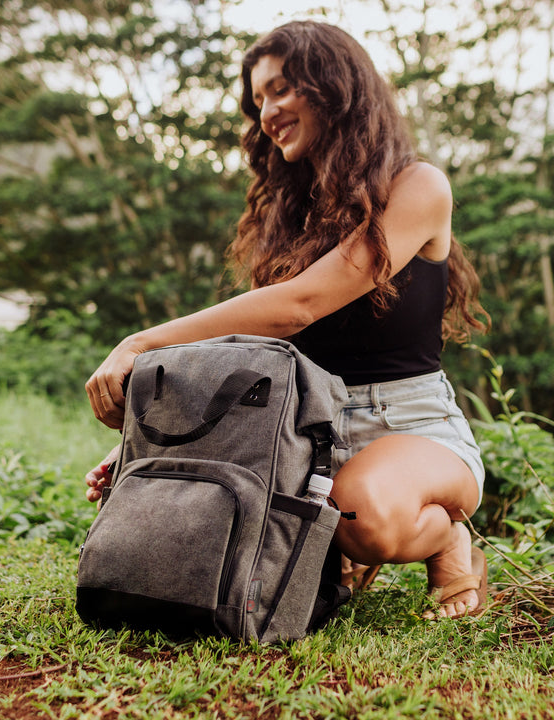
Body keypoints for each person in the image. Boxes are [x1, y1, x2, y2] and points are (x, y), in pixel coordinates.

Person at [83, 20, 490, 619]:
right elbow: (253, 345)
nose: (266, 112)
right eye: (259, 100)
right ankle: (335, 544)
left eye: (280, 89)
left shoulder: (419, 185)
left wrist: (142, 343)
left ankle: (450, 540)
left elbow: (299, 305)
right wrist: (153, 445)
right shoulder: (290, 214)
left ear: (334, 86)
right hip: (303, 426)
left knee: (365, 517)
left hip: (409, 423)